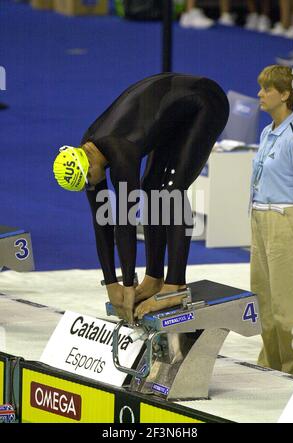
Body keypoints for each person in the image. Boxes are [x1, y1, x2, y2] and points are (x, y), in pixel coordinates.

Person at [53, 73, 229, 324]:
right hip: (173, 110)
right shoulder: (87, 152)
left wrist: (126, 285)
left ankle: (175, 285)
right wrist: (111, 283)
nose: (92, 186)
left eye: (88, 180)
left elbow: (124, 224)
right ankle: (154, 279)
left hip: (205, 102)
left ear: (89, 165)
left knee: (170, 192)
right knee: (150, 189)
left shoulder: (120, 152)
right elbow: (101, 221)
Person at [250, 65, 293, 375]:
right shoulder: (267, 132)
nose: (259, 93)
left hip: (286, 221)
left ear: (284, 95)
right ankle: (270, 363)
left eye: (266, 89)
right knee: (264, 302)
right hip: (260, 217)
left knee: (288, 305)